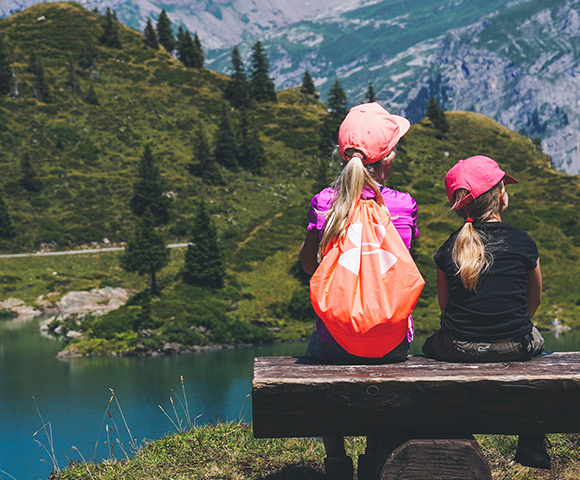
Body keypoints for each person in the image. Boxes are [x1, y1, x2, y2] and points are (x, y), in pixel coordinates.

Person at [300, 102, 418, 480]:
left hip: (334, 342)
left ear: (342, 154)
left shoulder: (324, 203)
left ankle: (336, 458)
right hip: (392, 343)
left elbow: (309, 266)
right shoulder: (402, 205)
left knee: (314, 351)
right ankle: (373, 455)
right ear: (388, 158)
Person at [422, 155, 550, 469]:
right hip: (513, 345)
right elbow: (533, 301)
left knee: (429, 345)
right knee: (536, 339)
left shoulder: (449, 247)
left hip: (460, 347)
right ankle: (532, 440)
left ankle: (455, 430)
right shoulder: (523, 242)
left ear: (461, 208)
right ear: (501, 196)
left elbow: (445, 308)